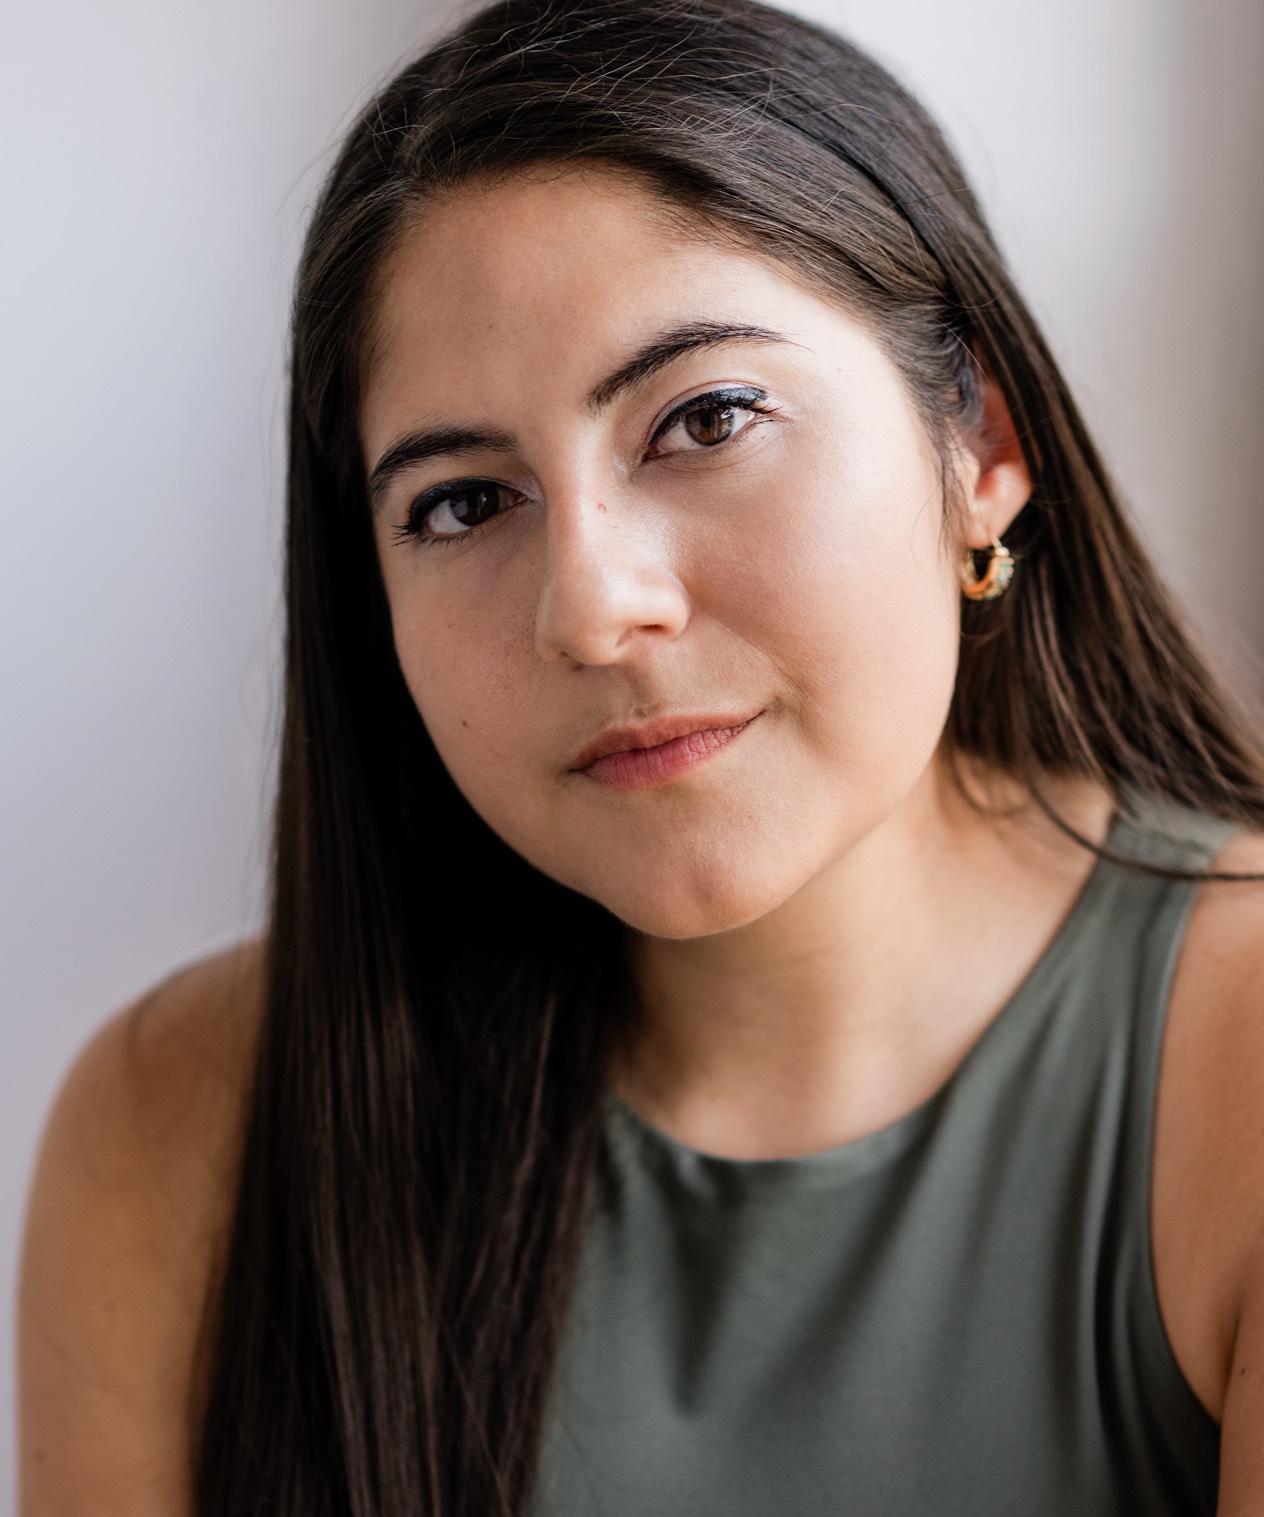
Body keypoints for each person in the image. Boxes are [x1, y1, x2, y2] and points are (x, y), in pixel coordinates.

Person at [18, 0, 1264, 1511]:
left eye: (708, 417)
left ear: (982, 444)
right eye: (464, 503)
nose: (593, 608)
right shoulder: (186, 1123)